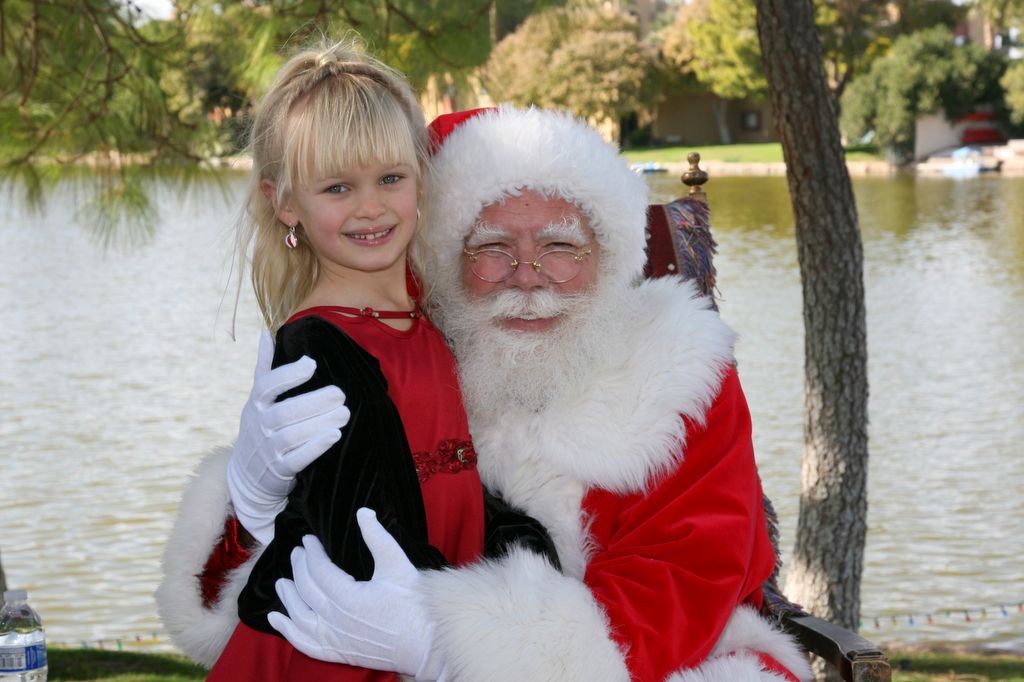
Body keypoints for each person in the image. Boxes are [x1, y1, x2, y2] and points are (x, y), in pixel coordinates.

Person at [160, 104, 812, 681]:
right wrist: (252, 500)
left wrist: (454, 647)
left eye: (561, 245)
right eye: (493, 247)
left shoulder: (678, 373)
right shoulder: (398, 355)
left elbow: (684, 583)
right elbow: (277, 578)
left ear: (607, 256)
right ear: (447, 259)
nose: (528, 277)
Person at [156, 46, 554, 681]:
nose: (371, 207)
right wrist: (470, 642)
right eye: (338, 187)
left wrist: (524, 551)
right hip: (355, 637)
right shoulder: (318, 345)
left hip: (434, 605)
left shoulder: (428, 325)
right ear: (285, 201)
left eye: (390, 179)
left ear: (420, 179)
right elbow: (362, 532)